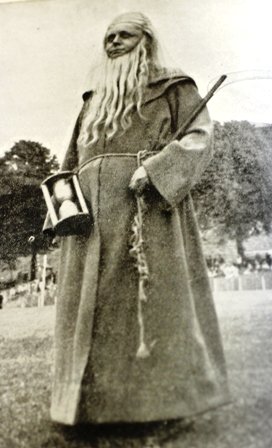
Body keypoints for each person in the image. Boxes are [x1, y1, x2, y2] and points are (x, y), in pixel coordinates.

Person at [44, 12, 229, 426]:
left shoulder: (174, 86)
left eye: (122, 36)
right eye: (108, 37)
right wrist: (61, 205)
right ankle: (88, 412)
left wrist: (159, 169)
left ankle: (164, 409)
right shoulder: (93, 98)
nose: (112, 43)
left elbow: (199, 137)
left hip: (149, 215)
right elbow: (71, 159)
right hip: (90, 224)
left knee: (152, 307)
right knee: (90, 311)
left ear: (145, 40)